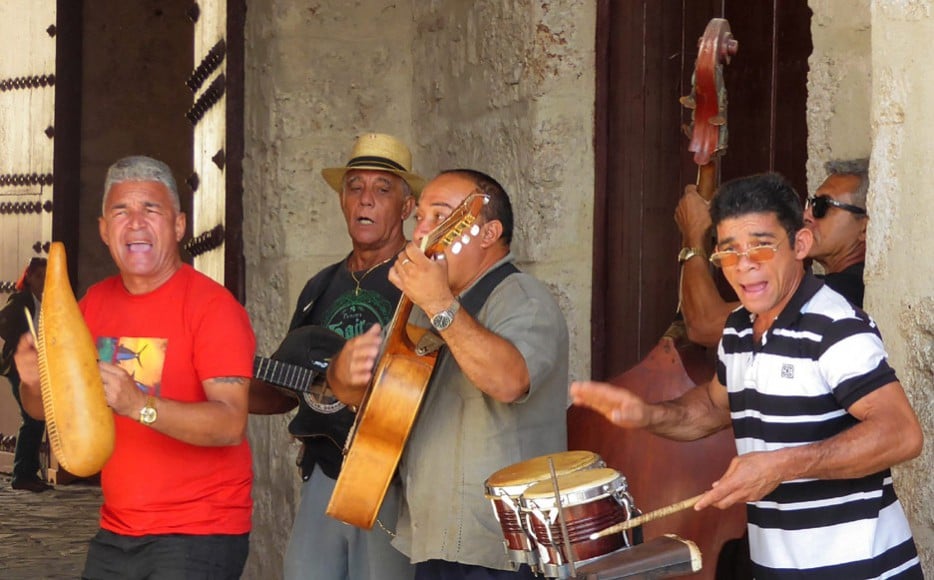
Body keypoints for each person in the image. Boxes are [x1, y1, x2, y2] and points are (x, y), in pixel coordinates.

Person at [572, 173, 923, 578]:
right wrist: (649, 416)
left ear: (800, 245)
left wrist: (780, 465)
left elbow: (901, 433)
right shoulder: (739, 327)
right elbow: (715, 406)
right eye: (729, 252)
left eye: (761, 246)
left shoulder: (834, 325)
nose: (745, 266)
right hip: (775, 568)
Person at [13, 155, 256, 579]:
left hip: (200, 532)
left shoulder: (214, 308)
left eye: (152, 209)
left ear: (179, 226)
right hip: (118, 529)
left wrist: (139, 404)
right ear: (105, 230)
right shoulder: (93, 305)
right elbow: (47, 411)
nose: (136, 223)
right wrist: (34, 383)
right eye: (121, 211)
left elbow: (230, 422)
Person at [327, 169, 570, 579]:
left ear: (489, 233)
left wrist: (440, 303)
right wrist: (344, 376)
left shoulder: (524, 298)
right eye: (419, 218)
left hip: (500, 548)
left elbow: (510, 382)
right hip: (432, 538)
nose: (421, 231)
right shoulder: (420, 309)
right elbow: (372, 398)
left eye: (440, 217)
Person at [249, 133, 422, 580]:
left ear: (405, 208)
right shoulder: (319, 288)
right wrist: (224, 382)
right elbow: (288, 392)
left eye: (382, 190)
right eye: (355, 188)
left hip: (395, 478)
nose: (365, 200)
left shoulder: (421, 282)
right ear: (343, 201)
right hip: (326, 471)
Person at [675, 158, 870, 347]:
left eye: (822, 206)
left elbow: (705, 325)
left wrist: (693, 234)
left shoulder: (847, 290)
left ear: (864, 227)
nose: (807, 215)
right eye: (810, 204)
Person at [0, 257, 51, 492]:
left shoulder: (47, 302)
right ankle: (22, 474)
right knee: (32, 418)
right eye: (38, 276)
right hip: (21, 368)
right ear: (29, 277)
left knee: (36, 418)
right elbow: (4, 324)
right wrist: (22, 343)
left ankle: (28, 473)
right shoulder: (21, 300)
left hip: (39, 369)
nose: (42, 281)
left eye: (46, 276)